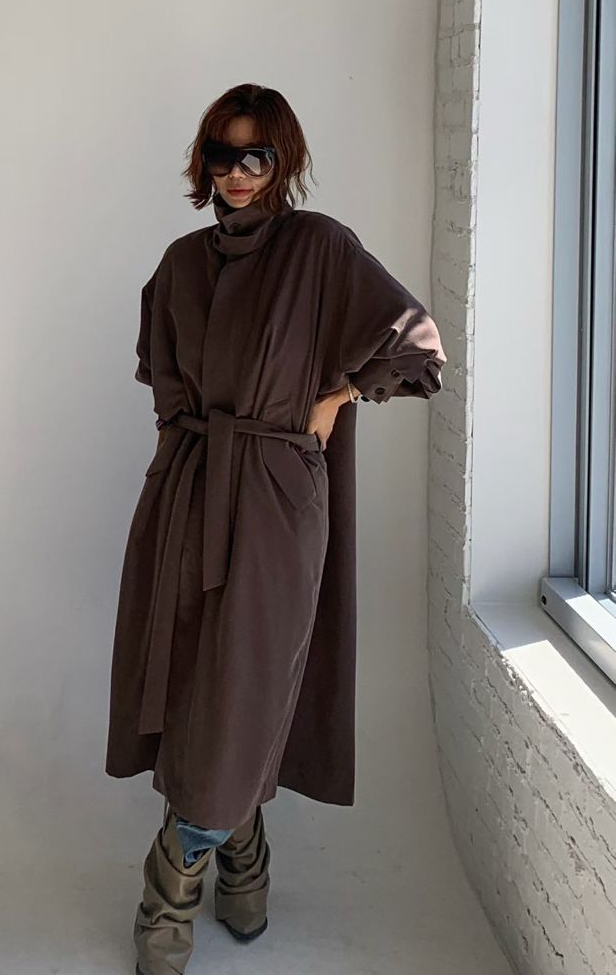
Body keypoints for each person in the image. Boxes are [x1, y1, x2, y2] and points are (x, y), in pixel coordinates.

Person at [105, 83, 447, 975]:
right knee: (193, 687)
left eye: (255, 155)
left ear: (282, 160)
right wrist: (176, 470)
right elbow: (162, 382)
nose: (238, 172)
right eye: (222, 154)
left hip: (274, 498)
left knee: (241, 686)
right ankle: (245, 858)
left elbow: (416, 347)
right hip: (184, 493)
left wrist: (339, 395)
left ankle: (169, 892)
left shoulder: (320, 247)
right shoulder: (179, 263)